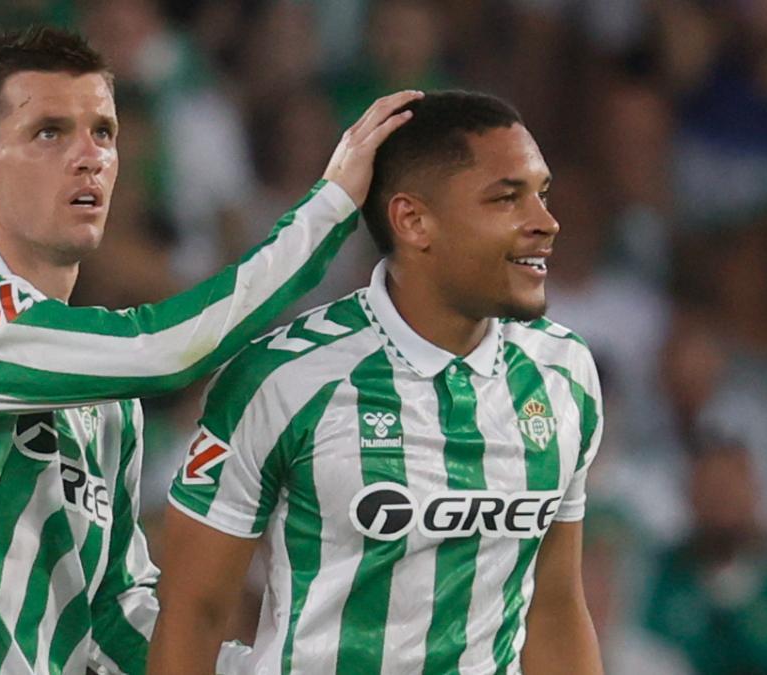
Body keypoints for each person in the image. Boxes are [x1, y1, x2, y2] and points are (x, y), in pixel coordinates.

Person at [0, 25, 420, 675]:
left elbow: (113, 618)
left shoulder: (105, 398)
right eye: (49, 132)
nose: (89, 157)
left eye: (103, 132)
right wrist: (329, 207)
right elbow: (162, 350)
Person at [150, 90, 604, 675]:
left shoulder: (564, 372)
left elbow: (556, 607)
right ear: (413, 220)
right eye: (506, 198)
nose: (546, 222)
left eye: (541, 193)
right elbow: (193, 614)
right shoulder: (283, 379)